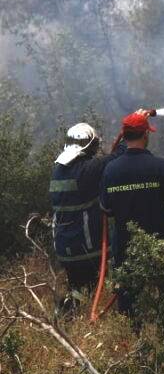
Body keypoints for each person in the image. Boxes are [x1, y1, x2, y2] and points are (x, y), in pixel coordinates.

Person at [100, 110, 164, 312]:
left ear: (125, 136)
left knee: (129, 305)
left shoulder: (110, 170)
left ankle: (134, 337)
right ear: (146, 135)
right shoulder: (161, 167)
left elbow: (106, 209)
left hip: (125, 249)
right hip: (161, 245)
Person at [50, 122, 124, 308]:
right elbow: (118, 156)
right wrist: (129, 131)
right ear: (89, 145)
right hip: (87, 247)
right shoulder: (87, 169)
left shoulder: (58, 170)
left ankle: (66, 312)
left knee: (81, 288)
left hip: (65, 248)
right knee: (103, 282)